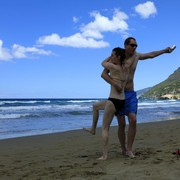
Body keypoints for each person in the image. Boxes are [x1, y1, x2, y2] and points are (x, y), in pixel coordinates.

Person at [101, 37, 176, 158]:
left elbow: (151, 55)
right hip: (118, 95)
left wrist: (165, 51)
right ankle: (123, 149)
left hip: (130, 94)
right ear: (125, 45)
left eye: (136, 45)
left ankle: (129, 149)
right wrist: (114, 84)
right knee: (121, 124)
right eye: (132, 45)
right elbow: (104, 74)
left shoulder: (136, 56)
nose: (134, 47)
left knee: (133, 120)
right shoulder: (117, 57)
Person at [86, 47, 129, 160]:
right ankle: (92, 129)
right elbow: (105, 74)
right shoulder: (125, 68)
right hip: (121, 100)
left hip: (113, 100)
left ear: (118, 57)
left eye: (112, 55)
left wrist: (109, 58)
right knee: (95, 106)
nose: (111, 57)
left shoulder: (113, 67)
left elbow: (102, 63)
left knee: (105, 128)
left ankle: (105, 155)